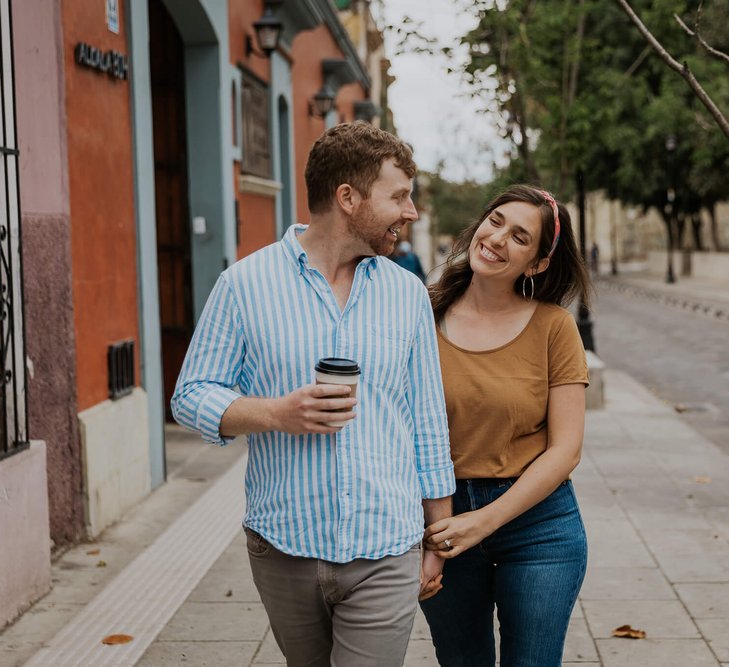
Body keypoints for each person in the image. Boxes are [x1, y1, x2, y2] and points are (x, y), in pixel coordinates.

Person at [171, 122, 455, 666]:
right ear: (347, 198)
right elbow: (191, 395)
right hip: (283, 546)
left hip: (386, 546)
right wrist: (275, 413)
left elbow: (428, 420)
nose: (411, 212)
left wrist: (434, 541)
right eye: (398, 196)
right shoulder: (244, 285)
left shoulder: (407, 294)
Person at [419, 184, 591, 666]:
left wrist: (486, 521)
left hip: (539, 525)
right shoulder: (421, 315)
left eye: (520, 236)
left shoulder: (554, 327)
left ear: (536, 263)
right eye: (495, 221)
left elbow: (566, 449)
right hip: (443, 520)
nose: (497, 239)